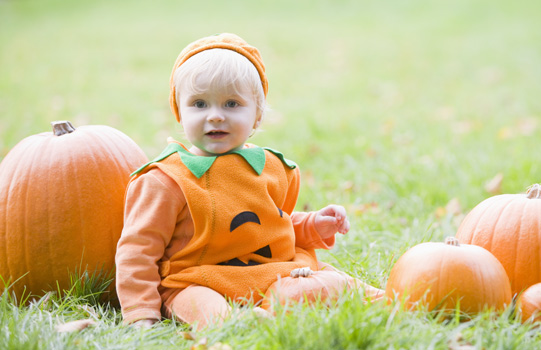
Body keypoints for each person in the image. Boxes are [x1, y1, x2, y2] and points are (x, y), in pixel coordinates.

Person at [115, 33, 383, 329]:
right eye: (200, 104)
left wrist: (313, 225)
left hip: (269, 273)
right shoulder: (166, 180)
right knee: (205, 306)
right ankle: (241, 325)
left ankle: (398, 299)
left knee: (322, 282)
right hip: (196, 280)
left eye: (231, 104)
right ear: (180, 111)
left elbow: (267, 226)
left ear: (257, 115)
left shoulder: (269, 167)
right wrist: (141, 312)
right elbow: (138, 250)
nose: (215, 116)